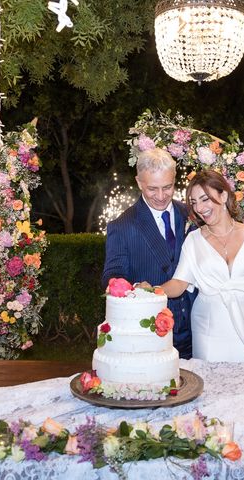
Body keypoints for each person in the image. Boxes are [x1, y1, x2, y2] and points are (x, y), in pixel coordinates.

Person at [145, 169, 244, 362]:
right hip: (208, 332)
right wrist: (152, 290)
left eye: (205, 199)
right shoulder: (193, 240)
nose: (199, 208)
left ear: (224, 195)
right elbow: (179, 283)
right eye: (194, 203)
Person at [102, 148, 195, 359]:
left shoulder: (191, 214)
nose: (161, 197)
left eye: (168, 187)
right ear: (138, 182)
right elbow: (113, 274)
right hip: (150, 334)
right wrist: (136, 290)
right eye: (153, 189)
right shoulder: (122, 226)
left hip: (198, 329)